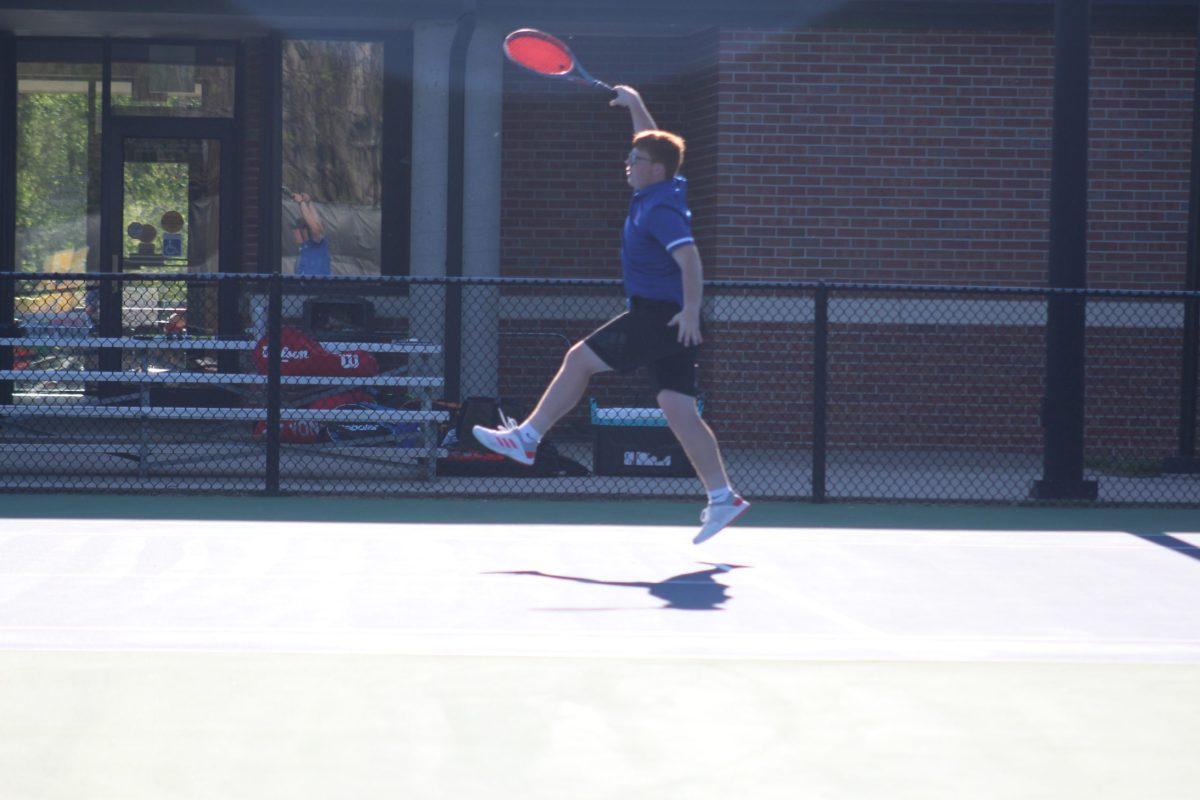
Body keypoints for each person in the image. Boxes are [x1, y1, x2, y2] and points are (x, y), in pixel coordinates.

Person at [473, 85, 749, 544]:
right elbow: (652, 141)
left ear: (654, 171)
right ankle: (723, 498)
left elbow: (691, 260)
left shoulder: (661, 210)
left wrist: (691, 312)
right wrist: (637, 103)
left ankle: (527, 438)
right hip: (667, 314)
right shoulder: (663, 187)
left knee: (580, 359)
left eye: (634, 160)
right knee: (678, 408)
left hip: (661, 315)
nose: (628, 163)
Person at [291, 192, 331, 276]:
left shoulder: (318, 243)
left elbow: (316, 226)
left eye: (295, 231)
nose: (294, 234)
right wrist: (308, 202)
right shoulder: (302, 253)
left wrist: (302, 203)